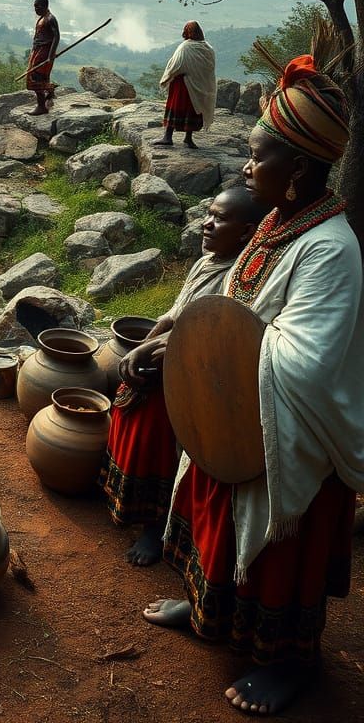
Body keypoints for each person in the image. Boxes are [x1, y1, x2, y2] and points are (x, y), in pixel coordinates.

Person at [141, 56, 364, 716]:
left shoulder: (331, 250)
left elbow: (306, 363)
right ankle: (208, 610)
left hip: (280, 430)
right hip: (231, 410)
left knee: (277, 553)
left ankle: (289, 662)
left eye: (258, 155)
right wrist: (178, 340)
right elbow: (229, 300)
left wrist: (217, 357)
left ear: (298, 169)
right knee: (214, 513)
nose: (245, 165)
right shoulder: (275, 225)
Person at [104, 185, 266, 566]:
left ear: (245, 231)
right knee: (129, 398)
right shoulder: (206, 261)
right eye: (208, 213)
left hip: (201, 376)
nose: (206, 224)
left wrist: (156, 352)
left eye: (219, 218)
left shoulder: (240, 278)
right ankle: (125, 501)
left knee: (157, 426)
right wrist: (144, 346)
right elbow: (174, 315)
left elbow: (206, 337)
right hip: (173, 356)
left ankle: (156, 526)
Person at [155, 21, 216, 148]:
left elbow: (176, 65)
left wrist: (167, 76)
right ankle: (188, 138)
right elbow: (208, 68)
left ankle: (168, 137)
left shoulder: (186, 47)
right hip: (198, 86)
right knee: (193, 109)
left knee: (176, 108)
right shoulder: (208, 48)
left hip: (182, 85)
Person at [27, 0, 60, 115]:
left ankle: (41, 107)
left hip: (44, 53)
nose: (36, 9)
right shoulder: (42, 18)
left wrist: (51, 54)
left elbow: (57, 36)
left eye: (38, 6)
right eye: (34, 7)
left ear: (45, 6)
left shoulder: (50, 18)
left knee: (37, 77)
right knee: (35, 76)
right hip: (38, 51)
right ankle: (49, 92)